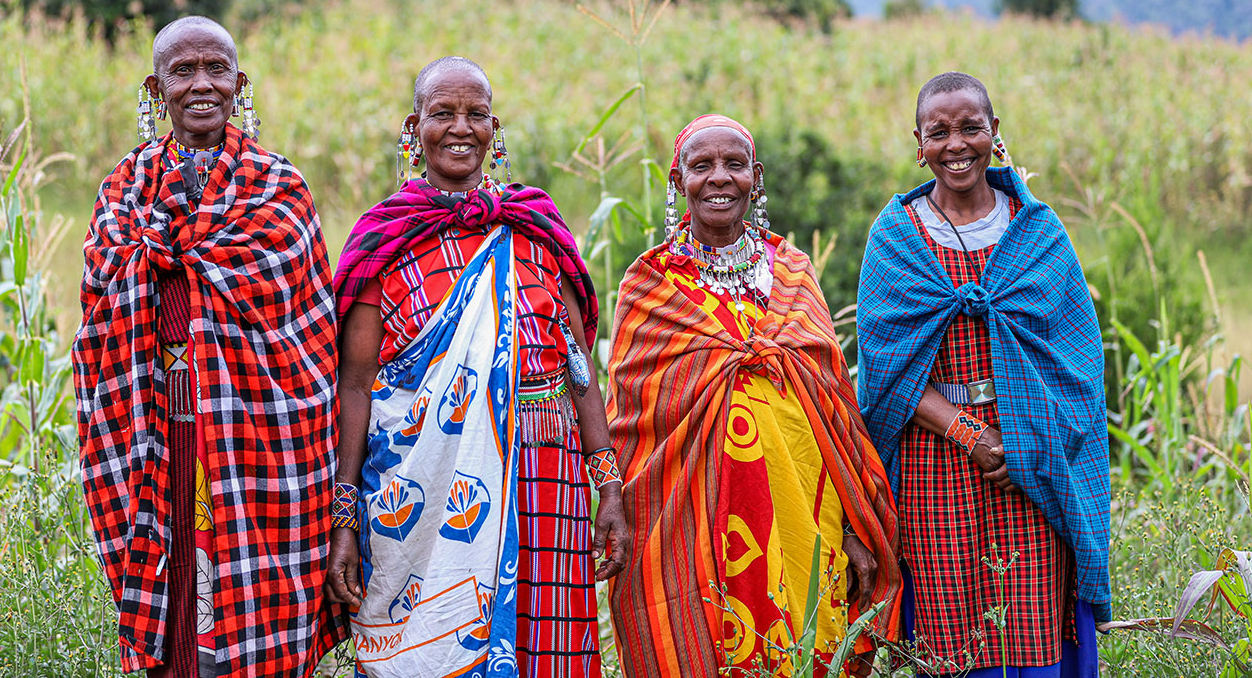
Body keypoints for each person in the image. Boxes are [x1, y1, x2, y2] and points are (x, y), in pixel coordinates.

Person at [327, 56, 629, 678]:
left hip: (547, 476)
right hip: (421, 491)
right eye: (443, 113)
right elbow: (354, 387)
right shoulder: (385, 240)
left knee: (545, 655)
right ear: (415, 128)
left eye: (475, 114)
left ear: (496, 127)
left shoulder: (537, 229)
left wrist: (610, 488)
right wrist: (343, 519)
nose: (460, 128)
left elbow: (581, 371)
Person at [72, 16, 346, 678]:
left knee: (256, 608)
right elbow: (98, 316)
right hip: (157, 437)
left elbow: (307, 338)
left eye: (216, 69)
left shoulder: (279, 190)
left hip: (261, 444)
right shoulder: (123, 190)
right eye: (183, 70)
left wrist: (174, 264)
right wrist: (160, 268)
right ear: (155, 86)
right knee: (174, 614)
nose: (202, 84)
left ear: (239, 82)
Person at [606, 114, 901, 677]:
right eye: (702, 166)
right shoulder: (650, 285)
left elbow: (833, 408)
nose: (719, 178)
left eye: (734, 165)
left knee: (811, 644)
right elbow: (634, 422)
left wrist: (853, 524)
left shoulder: (791, 271)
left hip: (808, 516)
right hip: (694, 521)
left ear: (756, 177)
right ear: (678, 181)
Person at [856, 72, 1109, 676]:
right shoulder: (896, 239)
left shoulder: (1038, 231)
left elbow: (1076, 359)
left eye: (971, 128)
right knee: (950, 624)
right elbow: (886, 370)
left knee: (1036, 606)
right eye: (939, 132)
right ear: (919, 144)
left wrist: (1021, 441)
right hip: (934, 463)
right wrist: (973, 435)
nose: (956, 144)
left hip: (1033, 461)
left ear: (995, 134)